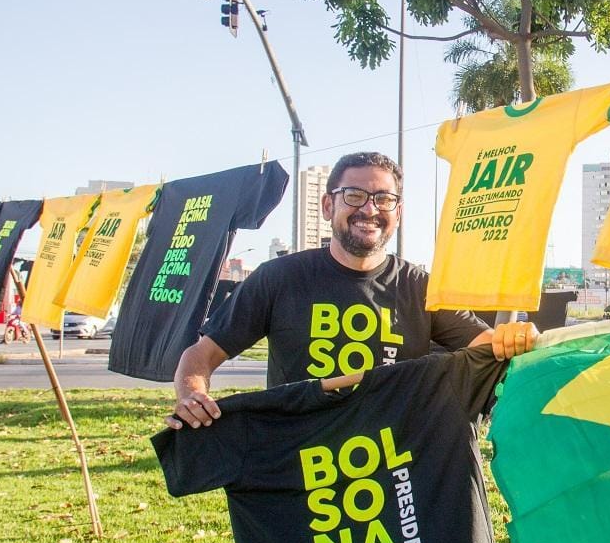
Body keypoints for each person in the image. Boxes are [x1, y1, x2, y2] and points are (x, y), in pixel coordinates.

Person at [168, 151, 537, 429]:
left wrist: (516, 338)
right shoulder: (277, 279)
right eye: (355, 196)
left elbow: (487, 347)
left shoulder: (420, 287)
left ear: (398, 212)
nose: (370, 209)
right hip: (303, 463)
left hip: (394, 467)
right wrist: (192, 395)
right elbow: (201, 355)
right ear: (329, 205)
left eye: (384, 199)